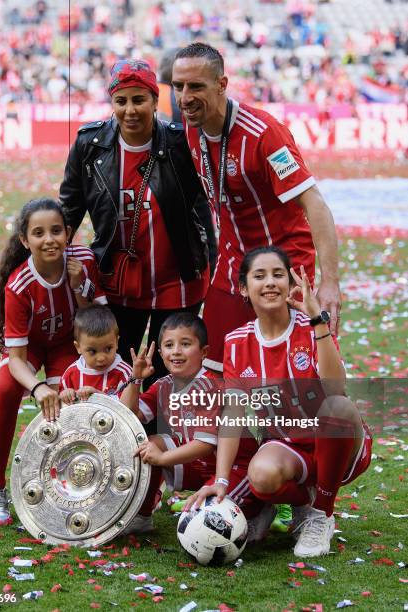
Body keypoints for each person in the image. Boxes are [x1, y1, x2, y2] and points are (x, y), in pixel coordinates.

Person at [185, 246, 371, 557]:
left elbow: (336, 388)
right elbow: (232, 414)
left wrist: (319, 321)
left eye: (277, 275)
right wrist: (220, 479)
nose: (270, 282)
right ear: (244, 288)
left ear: (290, 284)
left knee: (338, 407)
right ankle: (303, 500)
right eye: (259, 276)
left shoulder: (311, 327)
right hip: (288, 446)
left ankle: (321, 514)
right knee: (261, 475)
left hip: (337, 442)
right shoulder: (236, 341)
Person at [171, 42, 341, 372]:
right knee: (215, 367)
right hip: (234, 263)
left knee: (305, 375)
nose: (184, 97)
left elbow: (315, 204)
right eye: (178, 86)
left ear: (222, 85)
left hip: (284, 263)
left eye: (196, 86)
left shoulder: (263, 134)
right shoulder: (192, 129)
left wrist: (330, 282)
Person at [59, 59, 216, 388]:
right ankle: (118, 440)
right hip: (119, 282)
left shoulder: (180, 143)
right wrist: (48, 262)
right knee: (115, 372)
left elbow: (203, 207)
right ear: (112, 103)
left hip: (179, 282)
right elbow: (70, 208)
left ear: (154, 101)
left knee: (170, 376)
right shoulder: (90, 145)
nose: (130, 110)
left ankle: (167, 440)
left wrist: (212, 262)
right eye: (121, 101)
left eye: (139, 100)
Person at [0, 198, 107, 524]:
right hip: (33, 348)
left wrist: (80, 285)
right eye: (38, 233)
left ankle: (69, 488)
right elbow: (18, 359)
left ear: (68, 232)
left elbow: (98, 321)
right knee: (8, 384)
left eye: (55, 230)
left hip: (68, 345)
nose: (49, 239)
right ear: (25, 240)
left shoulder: (83, 260)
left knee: (66, 405)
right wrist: (37, 388)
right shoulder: (19, 284)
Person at [119, 312, 261, 535]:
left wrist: (163, 458)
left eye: (185, 344)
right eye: (169, 345)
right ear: (160, 353)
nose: (176, 351)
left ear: (204, 352)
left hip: (236, 468)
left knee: (210, 521)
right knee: (148, 444)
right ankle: (142, 515)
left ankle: (257, 509)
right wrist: (136, 379)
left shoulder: (211, 386)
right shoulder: (163, 385)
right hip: (198, 465)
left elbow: (205, 445)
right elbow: (129, 415)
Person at [59, 303, 132, 403]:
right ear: (78, 347)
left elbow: (127, 408)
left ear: (117, 342)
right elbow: (63, 408)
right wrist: (65, 395)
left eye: (108, 349)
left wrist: (98, 395)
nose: (101, 358)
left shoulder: (125, 373)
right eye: (93, 351)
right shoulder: (71, 374)